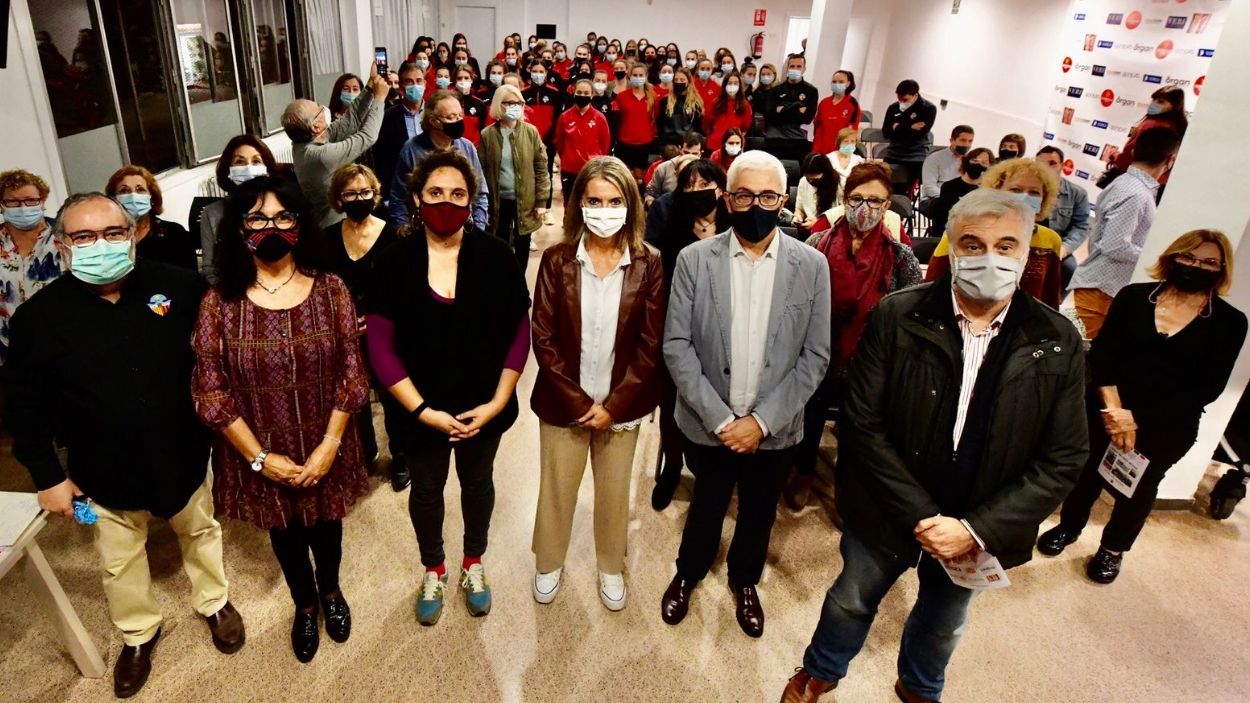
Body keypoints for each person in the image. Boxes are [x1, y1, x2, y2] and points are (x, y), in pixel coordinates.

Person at [780, 188, 1087, 703]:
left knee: (945, 620)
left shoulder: (1057, 338)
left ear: (1027, 249)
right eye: (973, 243)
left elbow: (1065, 456)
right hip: (889, 506)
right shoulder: (898, 316)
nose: (990, 257)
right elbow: (862, 424)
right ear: (951, 246)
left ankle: (920, 688)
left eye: (1006, 245)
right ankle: (821, 671)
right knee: (850, 599)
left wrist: (975, 529)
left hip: (979, 520)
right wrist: (923, 515)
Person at [7, 193, 245, 698]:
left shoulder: (180, 288)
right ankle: (138, 632)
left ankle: (214, 602)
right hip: (100, 473)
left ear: (134, 233)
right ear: (63, 245)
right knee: (118, 558)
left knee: (201, 532)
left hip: (184, 454)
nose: (101, 245)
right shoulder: (36, 319)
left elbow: (215, 369)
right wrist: (48, 476)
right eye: (84, 237)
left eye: (113, 233)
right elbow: (24, 409)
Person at [192, 175, 367, 664]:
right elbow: (210, 391)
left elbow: (353, 375)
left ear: (299, 223)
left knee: (327, 526)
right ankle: (305, 605)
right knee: (285, 533)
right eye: (256, 217)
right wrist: (261, 458)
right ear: (239, 229)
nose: (271, 226)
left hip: (324, 437)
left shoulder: (331, 289)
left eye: (282, 216)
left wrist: (330, 444)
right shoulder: (218, 304)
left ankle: (331, 593)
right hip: (257, 447)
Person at [660, 150, 832, 639]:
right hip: (707, 419)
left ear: (782, 199)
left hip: (774, 428)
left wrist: (760, 422)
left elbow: (815, 355)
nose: (755, 204)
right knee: (707, 502)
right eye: (743, 194)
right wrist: (721, 420)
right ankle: (689, 571)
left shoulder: (812, 265)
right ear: (727, 198)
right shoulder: (695, 260)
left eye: (767, 195)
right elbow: (677, 346)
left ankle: (745, 580)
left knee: (759, 510)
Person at [366, 150, 530, 626]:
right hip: (419, 409)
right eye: (435, 193)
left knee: (478, 484)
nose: (446, 203)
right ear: (416, 198)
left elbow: (519, 331)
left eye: (458, 194)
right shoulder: (395, 261)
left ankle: (473, 562)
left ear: (471, 199)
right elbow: (380, 347)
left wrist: (498, 401)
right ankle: (434, 567)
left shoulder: (496, 255)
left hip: (484, 403)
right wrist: (421, 411)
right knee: (428, 490)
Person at [1039, 230, 1246, 583]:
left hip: (1168, 425)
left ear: (1222, 269)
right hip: (1105, 409)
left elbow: (1207, 389)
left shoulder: (1229, 321)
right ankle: (1069, 527)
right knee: (1085, 474)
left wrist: (1132, 420)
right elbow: (1103, 355)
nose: (1197, 266)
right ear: (1172, 258)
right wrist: (1114, 411)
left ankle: (1112, 549)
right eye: (1189, 258)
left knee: (1138, 489)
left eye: (1209, 262)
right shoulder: (1134, 297)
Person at [530, 156, 664, 610]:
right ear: (577, 204)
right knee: (557, 488)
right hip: (565, 402)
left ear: (630, 205)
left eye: (614, 200)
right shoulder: (557, 259)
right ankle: (549, 561)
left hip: (621, 407)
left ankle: (610, 566)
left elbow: (651, 344)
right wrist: (578, 401)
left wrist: (614, 405)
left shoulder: (649, 263)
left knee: (613, 493)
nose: (604, 209)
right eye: (594, 200)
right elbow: (543, 337)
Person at [787, 162, 923, 511]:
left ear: (887, 206)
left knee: (857, 428)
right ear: (845, 200)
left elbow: (910, 312)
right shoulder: (818, 242)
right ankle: (803, 472)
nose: (865, 209)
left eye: (876, 202)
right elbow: (797, 299)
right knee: (810, 415)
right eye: (858, 198)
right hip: (818, 352)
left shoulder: (900, 255)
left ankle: (845, 484)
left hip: (869, 359)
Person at [645, 159, 732, 510]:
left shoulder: (733, 220)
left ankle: (707, 469)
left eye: (705, 184)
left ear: (720, 188)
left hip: (721, 328)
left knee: (713, 398)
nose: (698, 192)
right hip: (675, 322)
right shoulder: (671, 218)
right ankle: (672, 466)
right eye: (690, 186)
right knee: (671, 402)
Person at [323, 164, 409, 492]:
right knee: (353, 398)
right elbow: (323, 287)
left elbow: (404, 291)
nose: (358, 198)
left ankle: (400, 455)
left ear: (374, 193)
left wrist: (374, 318)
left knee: (393, 398)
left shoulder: (394, 237)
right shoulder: (328, 238)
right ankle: (364, 454)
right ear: (338, 199)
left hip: (386, 332)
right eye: (350, 194)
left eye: (364, 192)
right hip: (344, 334)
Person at [1070, 127, 1180, 337]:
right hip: (1102, 290)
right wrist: (1158, 259)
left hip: (1106, 288)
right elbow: (1115, 245)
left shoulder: (1130, 185)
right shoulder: (1135, 193)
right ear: (1170, 159)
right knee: (1080, 359)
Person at [926, 158, 1065, 309]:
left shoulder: (1050, 240)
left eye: (1034, 192)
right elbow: (933, 284)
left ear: (1044, 198)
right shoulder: (964, 231)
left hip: (1025, 327)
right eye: (1016, 190)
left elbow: (1050, 299)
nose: (1025, 197)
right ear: (996, 191)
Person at [285, 64, 388, 226]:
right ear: (315, 126)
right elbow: (367, 137)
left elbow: (349, 121)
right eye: (319, 110)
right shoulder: (319, 156)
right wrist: (380, 99)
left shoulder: (309, 140)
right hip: (331, 228)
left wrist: (369, 86)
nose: (322, 108)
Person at [387, 89, 490, 230]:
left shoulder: (467, 147)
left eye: (460, 115)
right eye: (451, 117)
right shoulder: (411, 149)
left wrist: (477, 231)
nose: (458, 121)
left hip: (462, 230)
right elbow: (398, 199)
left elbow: (480, 193)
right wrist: (405, 232)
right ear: (434, 121)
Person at [479, 84, 551, 272]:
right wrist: (483, 205)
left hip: (525, 200)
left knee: (522, 245)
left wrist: (541, 201)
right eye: (509, 103)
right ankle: (503, 284)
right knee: (500, 243)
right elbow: (481, 172)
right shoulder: (487, 135)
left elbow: (541, 168)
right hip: (499, 201)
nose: (515, 106)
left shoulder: (531, 132)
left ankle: (520, 287)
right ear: (498, 105)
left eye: (518, 102)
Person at [0, 169, 65, 366]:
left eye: (30, 200)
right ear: (2, 205)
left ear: (43, 201)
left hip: (62, 343)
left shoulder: (64, 236)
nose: (22, 208)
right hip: (7, 350)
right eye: (13, 202)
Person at [200, 136, 277, 284]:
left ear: (267, 169)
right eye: (240, 162)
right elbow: (209, 268)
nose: (249, 168)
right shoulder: (212, 213)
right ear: (228, 170)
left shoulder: (280, 208)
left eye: (256, 161)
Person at [105, 166, 198, 272]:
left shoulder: (175, 233)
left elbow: (191, 278)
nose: (133, 196)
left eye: (140, 190)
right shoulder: (106, 238)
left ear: (152, 197)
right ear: (113, 200)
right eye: (124, 191)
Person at [1109, 87, 1188, 192]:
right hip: (1158, 185)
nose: (1154, 104)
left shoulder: (1151, 125)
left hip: (1135, 181)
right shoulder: (1180, 128)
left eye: (1161, 101)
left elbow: (1129, 156)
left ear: (1174, 106)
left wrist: (1115, 156)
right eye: (1153, 100)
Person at [1035, 146, 1090, 291]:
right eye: (1042, 163)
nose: (1047, 168)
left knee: (1070, 270)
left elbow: (1081, 226)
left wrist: (1064, 249)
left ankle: (1053, 306)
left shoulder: (1077, 194)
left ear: (1062, 165)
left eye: (1052, 163)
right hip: (1027, 242)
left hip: (1057, 245)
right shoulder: (1028, 189)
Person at [375, 61, 427, 212]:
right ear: (401, 86)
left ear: (424, 83)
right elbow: (382, 159)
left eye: (418, 81)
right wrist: (386, 196)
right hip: (401, 189)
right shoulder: (388, 117)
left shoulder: (434, 112)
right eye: (409, 81)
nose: (415, 85)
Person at [555, 79, 612, 202]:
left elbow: (605, 144)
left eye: (586, 93)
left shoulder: (600, 118)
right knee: (570, 204)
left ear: (592, 95)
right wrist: (567, 158)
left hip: (592, 170)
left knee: (590, 203)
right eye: (579, 92)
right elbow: (560, 144)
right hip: (569, 170)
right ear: (574, 93)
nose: (582, 95)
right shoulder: (564, 117)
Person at [882, 79, 937, 190]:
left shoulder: (928, 108)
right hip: (894, 152)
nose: (901, 102)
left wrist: (897, 127)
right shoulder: (893, 107)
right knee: (885, 184)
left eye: (905, 99)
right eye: (899, 99)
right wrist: (910, 128)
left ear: (915, 95)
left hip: (916, 154)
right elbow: (886, 132)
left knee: (906, 188)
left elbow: (920, 134)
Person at [928, 147, 993, 238]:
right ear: (967, 162)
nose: (978, 164)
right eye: (975, 161)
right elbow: (941, 220)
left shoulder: (989, 191)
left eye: (984, 163)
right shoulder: (948, 187)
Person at [522, 60, 562, 209]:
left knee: (546, 175)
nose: (538, 75)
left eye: (541, 71)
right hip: (528, 141)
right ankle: (529, 205)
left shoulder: (554, 93)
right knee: (529, 175)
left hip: (548, 142)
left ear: (546, 73)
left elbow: (558, 119)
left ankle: (546, 207)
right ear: (530, 72)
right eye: (535, 71)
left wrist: (547, 141)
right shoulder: (523, 93)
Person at [764, 54, 819, 159]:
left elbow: (807, 119)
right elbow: (771, 117)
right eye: (792, 66)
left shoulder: (811, 91)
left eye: (799, 66)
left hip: (798, 140)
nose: (795, 69)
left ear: (804, 69)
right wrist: (797, 109)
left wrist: (782, 109)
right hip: (775, 139)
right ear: (788, 68)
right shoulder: (776, 90)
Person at [611, 63, 658, 181]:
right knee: (624, 178)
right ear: (629, 76)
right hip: (625, 143)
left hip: (644, 143)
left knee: (640, 178)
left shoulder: (653, 97)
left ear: (646, 76)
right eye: (635, 75)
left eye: (641, 75)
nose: (638, 78)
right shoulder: (621, 97)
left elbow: (655, 119)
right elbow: (617, 120)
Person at [920, 125, 975, 204]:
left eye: (970, 141)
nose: (967, 145)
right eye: (963, 140)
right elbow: (929, 188)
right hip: (934, 199)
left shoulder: (970, 161)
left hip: (962, 202)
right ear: (952, 140)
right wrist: (951, 198)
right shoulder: (934, 159)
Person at [812, 70, 861, 155]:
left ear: (848, 84)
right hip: (820, 151)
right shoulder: (824, 103)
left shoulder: (853, 105)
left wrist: (843, 153)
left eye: (841, 82)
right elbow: (817, 127)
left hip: (839, 152)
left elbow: (852, 132)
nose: (837, 84)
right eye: (834, 81)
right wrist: (816, 150)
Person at [645, 134, 703, 206]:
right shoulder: (664, 168)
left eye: (694, 154)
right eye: (686, 152)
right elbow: (651, 192)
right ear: (680, 149)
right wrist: (653, 207)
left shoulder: (706, 171)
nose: (689, 157)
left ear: (701, 153)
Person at [656, 67, 704, 149]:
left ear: (688, 82)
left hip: (688, 144)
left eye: (682, 80)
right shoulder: (665, 101)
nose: (678, 82)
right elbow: (660, 124)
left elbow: (697, 127)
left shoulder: (695, 103)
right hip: (669, 145)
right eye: (676, 80)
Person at [705, 71, 753, 152]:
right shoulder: (715, 103)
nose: (732, 86)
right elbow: (707, 123)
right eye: (730, 83)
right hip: (715, 144)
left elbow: (745, 126)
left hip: (734, 145)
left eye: (735, 83)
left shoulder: (745, 105)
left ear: (740, 86)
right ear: (724, 85)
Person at [792, 152, 839, 233]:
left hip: (831, 232)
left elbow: (841, 216)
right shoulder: (803, 182)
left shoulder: (840, 185)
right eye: (808, 178)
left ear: (825, 174)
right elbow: (799, 208)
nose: (810, 181)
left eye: (815, 179)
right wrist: (798, 217)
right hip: (808, 231)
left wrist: (819, 224)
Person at [828, 127, 864, 202]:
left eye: (852, 141)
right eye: (846, 141)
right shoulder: (828, 158)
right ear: (839, 142)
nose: (849, 144)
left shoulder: (859, 160)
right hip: (832, 196)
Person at [454, 65, 488, 147]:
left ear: (472, 80)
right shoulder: (448, 102)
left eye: (466, 78)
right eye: (459, 78)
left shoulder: (479, 103)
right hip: (453, 148)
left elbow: (483, 130)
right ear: (455, 80)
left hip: (474, 149)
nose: (463, 81)